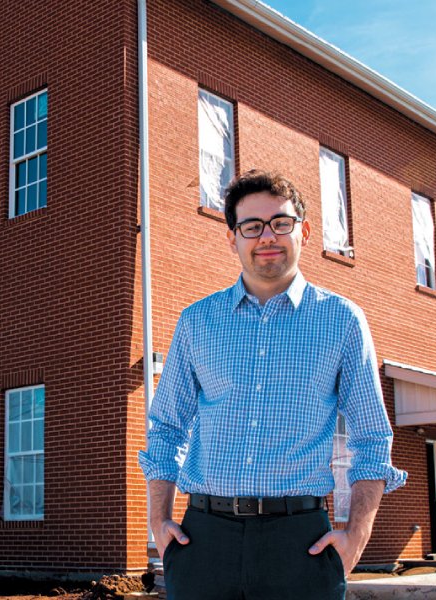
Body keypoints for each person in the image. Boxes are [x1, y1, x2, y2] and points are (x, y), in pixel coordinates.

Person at [138, 170, 406, 600]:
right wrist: (160, 519)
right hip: (203, 542)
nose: (268, 236)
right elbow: (167, 427)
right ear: (233, 238)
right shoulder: (196, 322)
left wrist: (356, 535)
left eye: (281, 223)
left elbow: (372, 437)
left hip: (300, 544)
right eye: (252, 226)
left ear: (303, 230)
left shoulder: (342, 321)